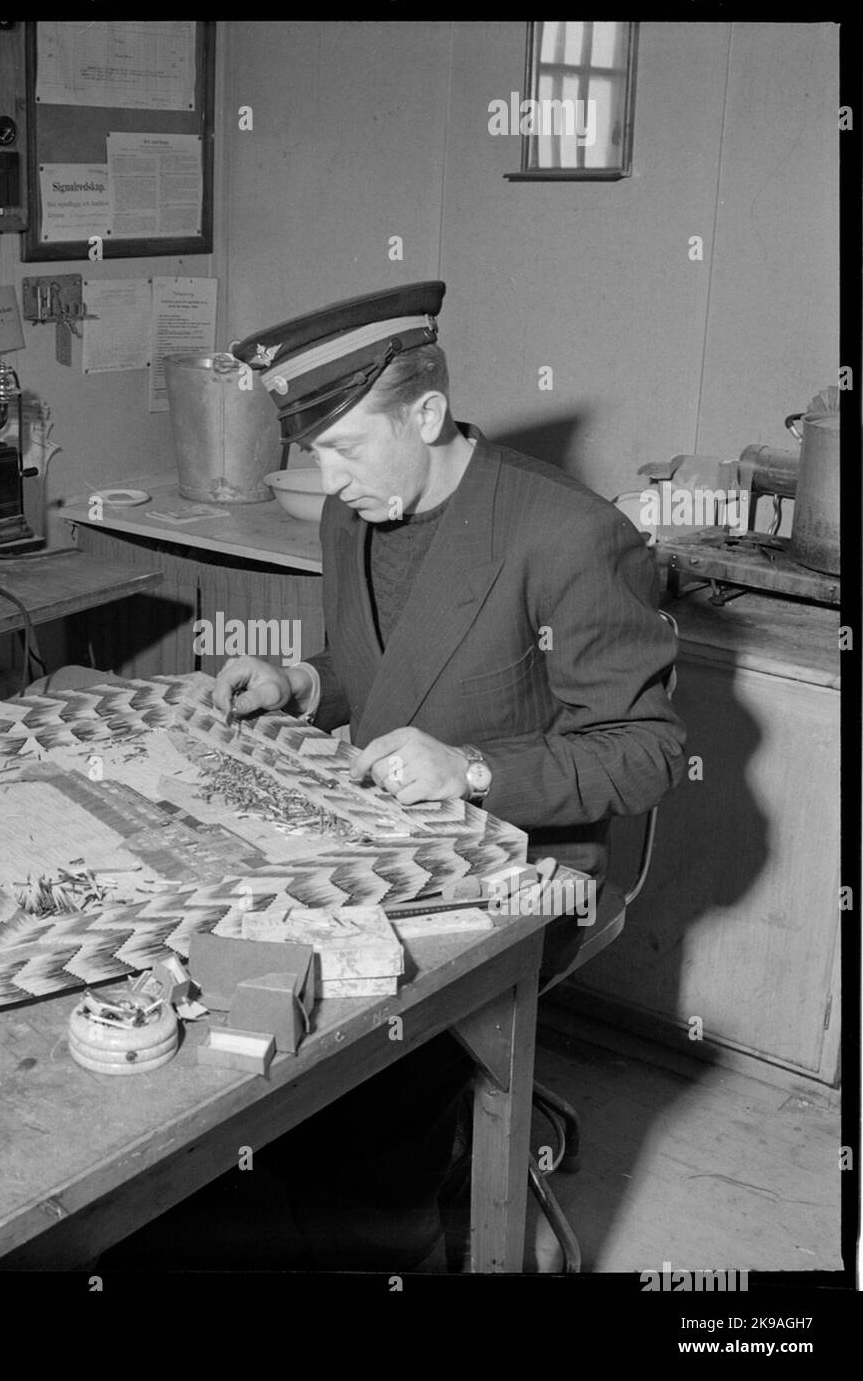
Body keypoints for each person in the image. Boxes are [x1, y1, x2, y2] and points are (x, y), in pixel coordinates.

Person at [199, 281, 686, 1269]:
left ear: (426, 415)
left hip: (523, 862)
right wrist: (301, 679)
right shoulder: (356, 515)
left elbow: (646, 751)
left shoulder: (569, 535)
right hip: (389, 841)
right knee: (224, 1001)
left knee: (355, 1084)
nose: (330, 484)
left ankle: (391, 1228)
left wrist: (467, 770)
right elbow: (389, 675)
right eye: (316, 455)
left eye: (344, 449)